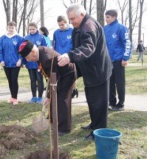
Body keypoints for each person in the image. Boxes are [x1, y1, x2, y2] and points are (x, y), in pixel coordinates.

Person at [57, 4, 113, 140]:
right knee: (92, 101)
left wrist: (70, 56)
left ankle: (98, 132)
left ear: (81, 14)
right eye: (69, 19)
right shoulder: (78, 27)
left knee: (99, 103)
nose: (71, 22)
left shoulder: (89, 26)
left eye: (73, 19)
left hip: (98, 71)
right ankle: (94, 124)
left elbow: (88, 47)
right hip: (90, 71)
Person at [18, 40, 76, 135]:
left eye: (27, 57)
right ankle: (52, 119)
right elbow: (50, 77)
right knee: (54, 97)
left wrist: (48, 95)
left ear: (33, 52)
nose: (28, 60)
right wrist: (49, 95)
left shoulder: (46, 58)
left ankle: (64, 128)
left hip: (67, 74)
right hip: (58, 75)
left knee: (62, 99)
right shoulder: (39, 53)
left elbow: (54, 78)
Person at [104, 9, 131, 111]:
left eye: (108, 17)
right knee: (110, 83)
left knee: (119, 83)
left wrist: (125, 57)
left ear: (114, 17)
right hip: (108, 61)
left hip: (119, 60)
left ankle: (121, 103)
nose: (106, 19)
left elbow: (127, 43)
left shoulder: (121, 28)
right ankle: (112, 103)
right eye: (105, 17)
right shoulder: (104, 29)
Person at [0, 21, 24, 105]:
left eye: (12, 27)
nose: (11, 29)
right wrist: (1, 60)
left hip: (16, 64)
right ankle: (12, 97)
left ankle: (15, 98)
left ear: (15, 28)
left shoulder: (19, 38)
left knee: (14, 79)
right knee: (9, 80)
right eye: (9, 27)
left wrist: (20, 60)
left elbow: (22, 50)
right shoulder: (2, 38)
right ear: (7, 28)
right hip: (6, 63)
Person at [53, 15, 78, 98]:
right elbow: (54, 44)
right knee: (61, 75)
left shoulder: (72, 31)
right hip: (59, 56)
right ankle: (63, 91)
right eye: (59, 25)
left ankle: (74, 89)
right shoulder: (56, 33)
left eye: (62, 25)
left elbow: (75, 43)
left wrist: (72, 54)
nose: (61, 27)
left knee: (72, 74)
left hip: (69, 56)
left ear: (66, 23)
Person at [24, 22, 47, 103]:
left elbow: (45, 50)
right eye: (30, 29)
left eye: (33, 29)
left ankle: (40, 97)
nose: (32, 31)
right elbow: (24, 51)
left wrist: (43, 61)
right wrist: (24, 61)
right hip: (30, 64)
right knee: (32, 80)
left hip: (39, 64)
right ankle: (34, 96)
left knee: (40, 80)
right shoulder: (26, 38)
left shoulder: (41, 37)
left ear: (37, 29)